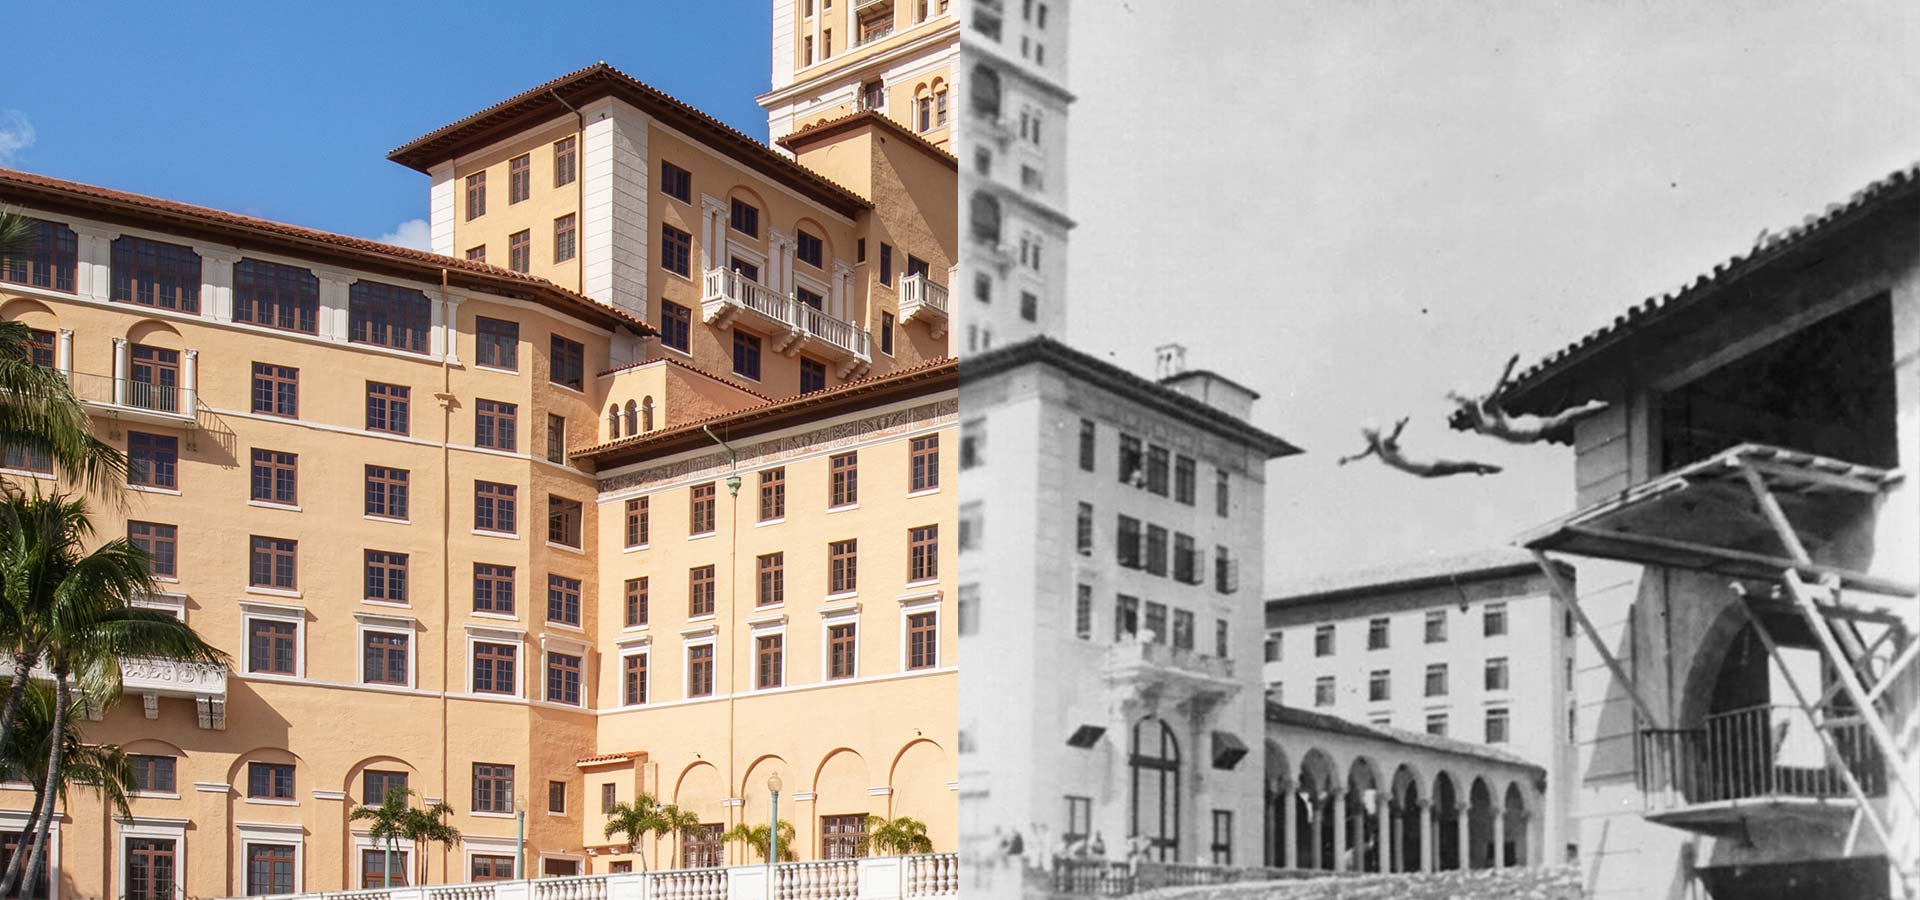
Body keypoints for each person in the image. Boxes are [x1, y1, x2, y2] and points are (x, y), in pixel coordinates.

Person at [1450, 353, 1610, 445]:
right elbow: (1496, 388)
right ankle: (1593, 408)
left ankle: (1591, 409)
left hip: (1521, 435)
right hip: (1525, 428)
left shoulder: (1481, 426)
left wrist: (1460, 399)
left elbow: (1479, 408)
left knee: (1559, 420)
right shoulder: (1487, 407)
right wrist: (1509, 367)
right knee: (1560, 419)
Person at [1337, 417, 1502, 478]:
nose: (1367, 438)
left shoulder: (1385, 443)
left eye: (1367, 434)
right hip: (1421, 472)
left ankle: (1485, 467)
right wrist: (1348, 459)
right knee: (1455, 469)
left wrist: (1399, 427)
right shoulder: (1374, 448)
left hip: (1424, 465)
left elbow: (1394, 436)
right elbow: (1361, 455)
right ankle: (1479, 468)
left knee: (1457, 467)